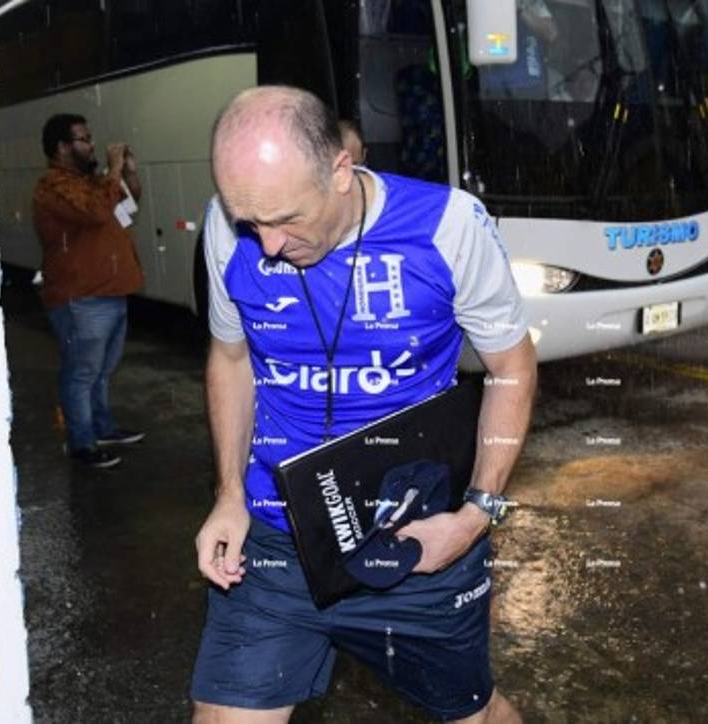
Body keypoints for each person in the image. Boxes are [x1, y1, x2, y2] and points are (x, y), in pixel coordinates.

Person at [191, 86, 536, 723]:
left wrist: (477, 514)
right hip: (274, 540)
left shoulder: (449, 225)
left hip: (417, 538)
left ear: (341, 171)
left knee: (474, 714)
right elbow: (231, 357)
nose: (266, 244)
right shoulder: (224, 226)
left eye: (286, 218)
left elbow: (511, 368)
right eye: (250, 221)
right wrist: (228, 495)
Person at [33, 113, 147, 470]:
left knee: (100, 371)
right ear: (63, 147)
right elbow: (97, 212)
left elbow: (126, 209)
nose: (92, 145)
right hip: (80, 298)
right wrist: (113, 171)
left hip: (109, 293)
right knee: (81, 373)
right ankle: (82, 443)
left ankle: (103, 429)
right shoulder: (53, 187)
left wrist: (128, 173)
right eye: (84, 139)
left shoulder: (93, 183)